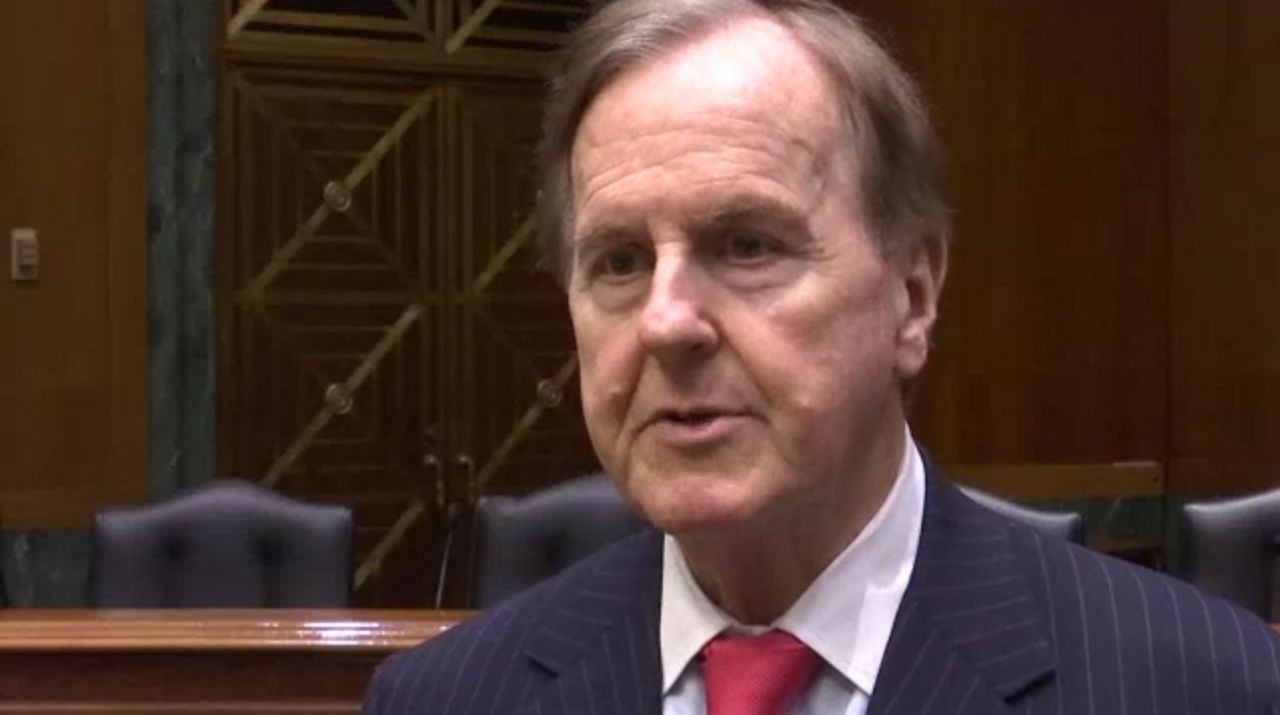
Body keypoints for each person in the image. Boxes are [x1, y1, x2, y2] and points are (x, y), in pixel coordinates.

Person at [365, 1, 1280, 713]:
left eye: (747, 246)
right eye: (620, 262)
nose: (665, 321)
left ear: (912, 295)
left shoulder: (1197, 685)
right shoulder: (446, 699)